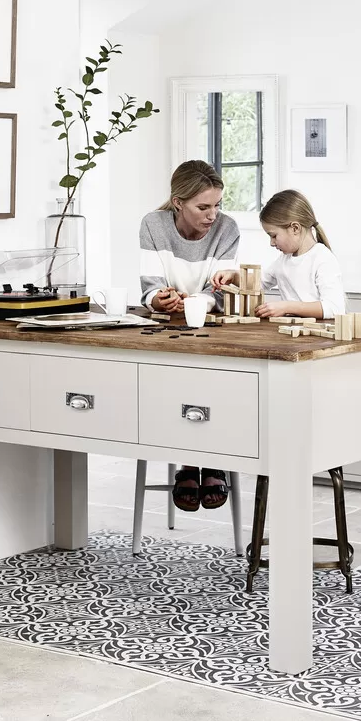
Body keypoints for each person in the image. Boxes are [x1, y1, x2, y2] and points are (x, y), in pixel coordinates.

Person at [139, 160, 240, 512]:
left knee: (213, 381)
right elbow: (149, 287)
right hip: (166, 327)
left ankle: (208, 462)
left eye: (217, 205)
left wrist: (200, 300)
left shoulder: (227, 229)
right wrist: (158, 299)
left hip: (211, 326)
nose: (213, 215)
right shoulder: (153, 224)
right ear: (178, 202)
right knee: (172, 386)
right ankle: (189, 461)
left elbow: (223, 291)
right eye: (203, 207)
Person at [213, 189, 345, 320]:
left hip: (318, 337)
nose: (271, 243)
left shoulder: (322, 258)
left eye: (274, 236)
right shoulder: (284, 260)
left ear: (295, 228)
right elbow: (259, 283)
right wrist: (233, 276)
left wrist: (286, 307)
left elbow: (334, 308)